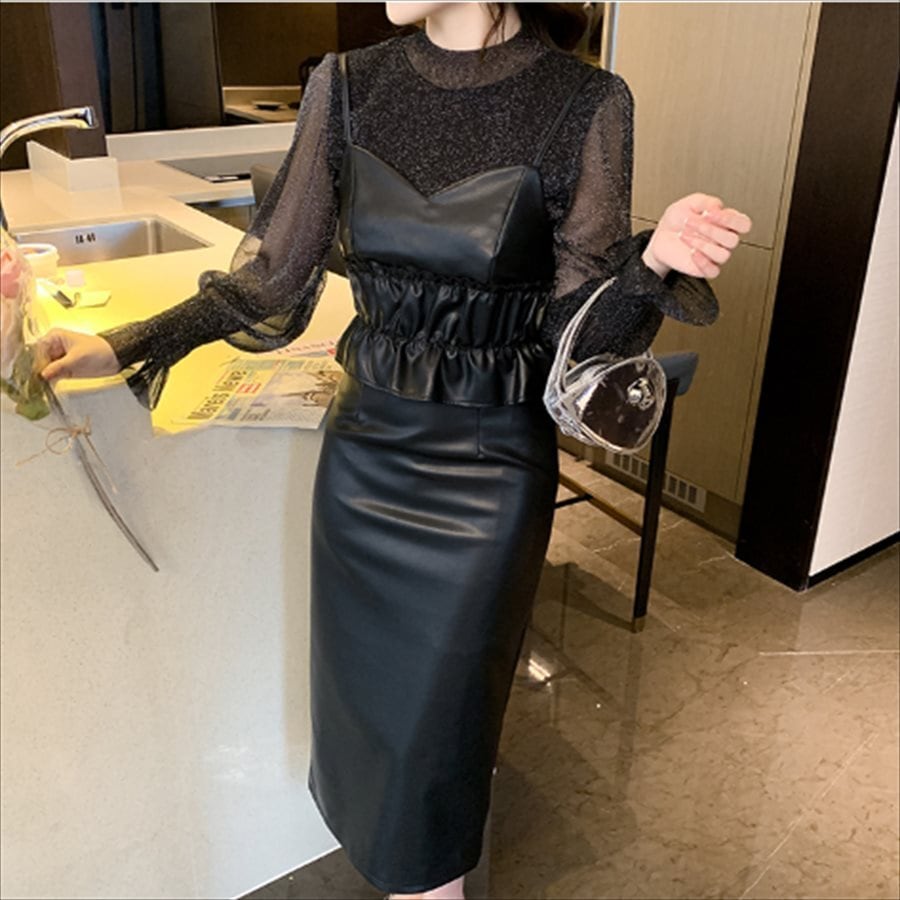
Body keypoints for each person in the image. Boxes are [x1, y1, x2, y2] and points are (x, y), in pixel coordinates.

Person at [35, 3, 752, 898]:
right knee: (376, 733)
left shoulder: (587, 102)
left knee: (436, 745)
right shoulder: (347, 86)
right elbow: (272, 277)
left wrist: (653, 267)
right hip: (364, 461)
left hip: (489, 476)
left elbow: (573, 334)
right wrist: (128, 343)